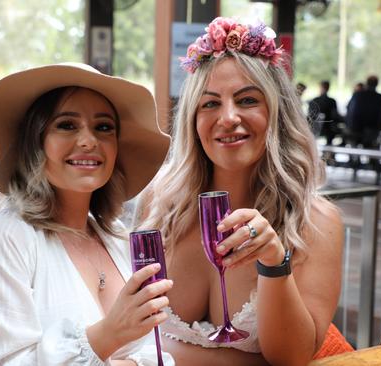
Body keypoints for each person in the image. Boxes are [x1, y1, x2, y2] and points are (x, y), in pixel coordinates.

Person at [136, 18, 345, 365]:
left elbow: (291, 358)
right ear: (193, 118)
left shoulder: (316, 222)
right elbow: (135, 334)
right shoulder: (159, 203)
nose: (229, 117)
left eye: (247, 100)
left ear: (276, 112)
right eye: (210, 103)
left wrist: (274, 260)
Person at [0, 63, 175, 365]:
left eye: (103, 127)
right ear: (36, 141)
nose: (88, 141)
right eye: (67, 125)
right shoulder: (4, 236)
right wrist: (110, 334)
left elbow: (154, 352)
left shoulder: (116, 239)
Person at [308, 80, 344, 146]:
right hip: (329, 129)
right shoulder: (332, 101)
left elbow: (310, 116)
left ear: (320, 88)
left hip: (316, 129)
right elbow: (335, 116)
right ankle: (329, 152)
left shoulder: (314, 101)